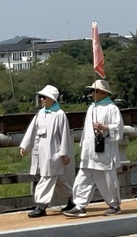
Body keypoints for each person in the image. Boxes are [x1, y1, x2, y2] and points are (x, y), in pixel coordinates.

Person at [66, 79, 124, 216]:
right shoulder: (92, 107)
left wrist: (104, 127)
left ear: (103, 92)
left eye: (95, 91)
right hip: (89, 150)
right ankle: (79, 205)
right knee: (83, 177)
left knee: (107, 179)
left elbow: (118, 128)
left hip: (104, 151)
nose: (92, 93)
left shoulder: (112, 108)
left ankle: (114, 205)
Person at [19, 85, 74, 218]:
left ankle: (41, 205)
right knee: (56, 178)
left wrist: (64, 153)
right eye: (41, 97)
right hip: (41, 150)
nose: (42, 99)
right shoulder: (40, 113)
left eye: (44, 97)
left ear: (52, 99)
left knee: (47, 177)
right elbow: (32, 130)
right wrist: (25, 145)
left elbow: (65, 135)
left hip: (53, 152)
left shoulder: (60, 115)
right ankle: (73, 199)